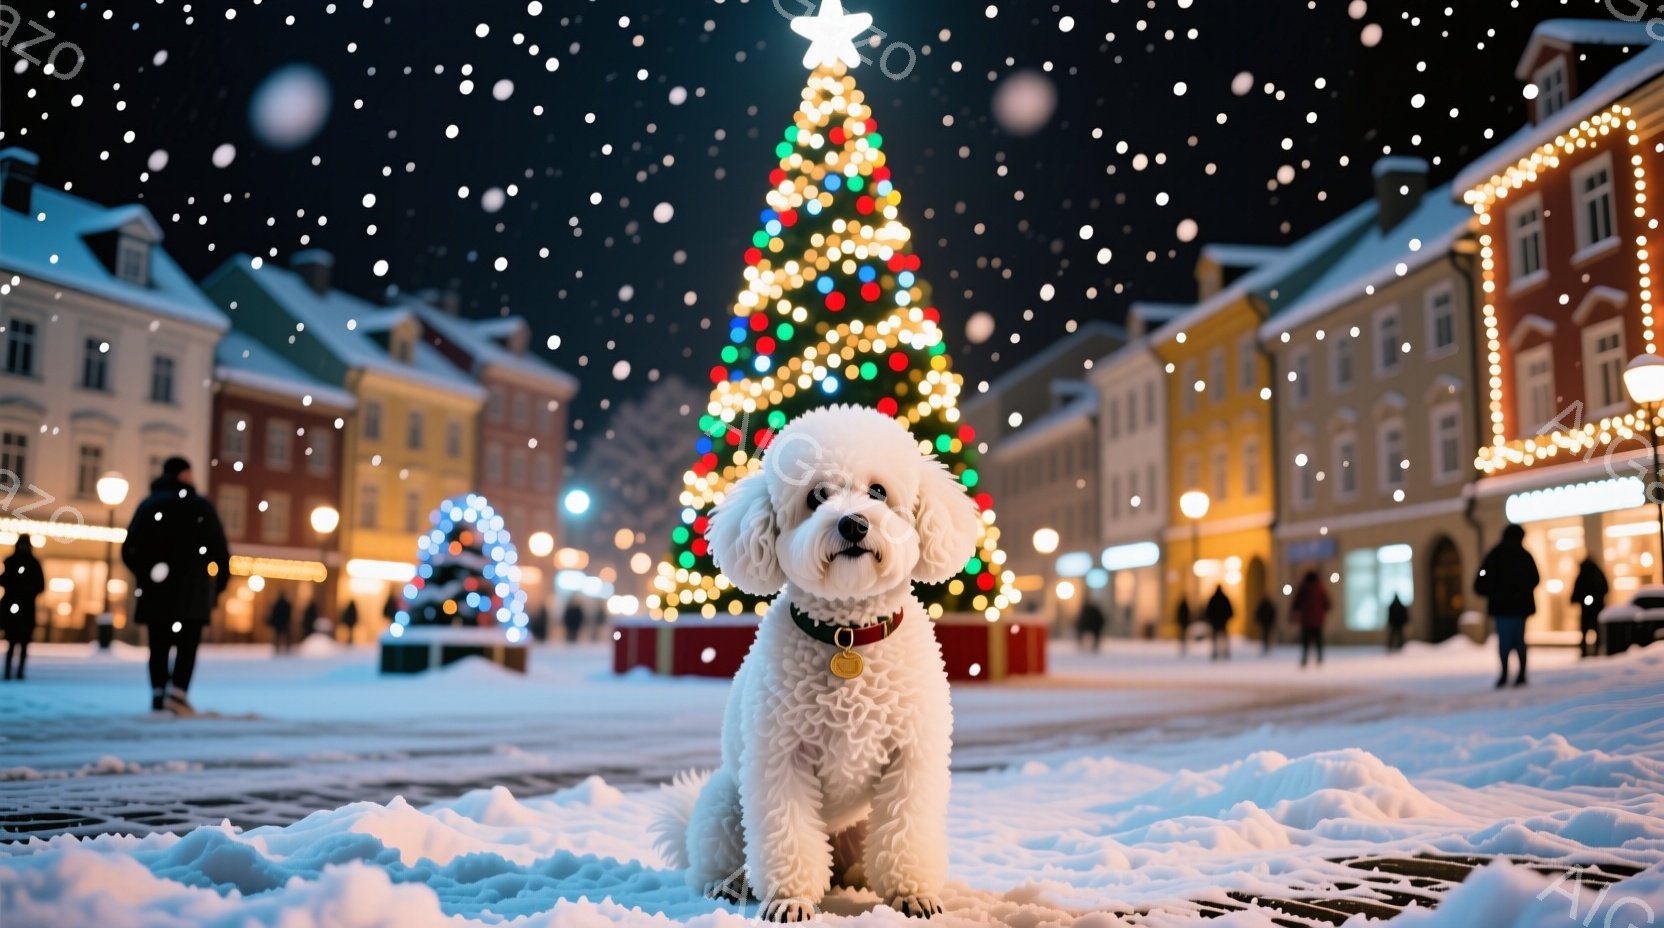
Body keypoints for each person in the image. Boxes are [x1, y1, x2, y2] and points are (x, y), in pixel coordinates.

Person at [121, 457, 230, 715]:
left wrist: (148, 574)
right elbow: (220, 551)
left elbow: (129, 550)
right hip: (192, 594)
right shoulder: (200, 506)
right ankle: (178, 693)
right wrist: (217, 586)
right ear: (185, 475)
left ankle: (158, 693)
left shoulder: (148, 506)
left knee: (158, 644)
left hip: (157, 594)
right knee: (186, 645)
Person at [1475, 523, 1540, 688]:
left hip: (1502, 608)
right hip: (1518, 608)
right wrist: (1520, 591)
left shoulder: (1495, 555)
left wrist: (1494, 591)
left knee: (1505, 643)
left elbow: (1482, 577)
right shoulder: (1524, 555)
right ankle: (1520, 674)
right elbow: (1535, 578)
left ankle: (1505, 674)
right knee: (1519, 642)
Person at [2, 537, 45, 681]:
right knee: (13, 641)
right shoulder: (12, 562)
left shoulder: (32, 564)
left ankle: (18, 671)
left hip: (25, 608)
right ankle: (9, 671)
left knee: (22, 643)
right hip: (16, 608)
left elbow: (40, 585)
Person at [1569, 557, 1609, 658]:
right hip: (1594, 608)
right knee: (1593, 630)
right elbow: (1605, 588)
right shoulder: (1594, 574)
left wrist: (1576, 599)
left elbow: (1576, 590)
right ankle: (1592, 650)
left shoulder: (1585, 575)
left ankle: (1586, 651)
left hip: (1591, 609)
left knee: (1587, 630)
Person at [1292, 571, 1330, 668]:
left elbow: (1296, 602)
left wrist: (1295, 611)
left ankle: (1305, 658)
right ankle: (1319, 657)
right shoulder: (1320, 588)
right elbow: (1327, 603)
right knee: (1318, 640)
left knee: (1306, 640)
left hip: (1306, 620)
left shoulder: (1303, 588)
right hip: (1318, 620)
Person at [1205, 585, 1233, 661]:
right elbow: (1229, 610)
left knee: (1215, 638)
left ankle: (1215, 652)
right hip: (1223, 621)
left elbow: (1208, 610)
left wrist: (1210, 618)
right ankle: (1225, 652)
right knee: (1223, 637)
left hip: (1215, 621)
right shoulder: (1224, 598)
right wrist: (1227, 617)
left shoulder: (1213, 599)